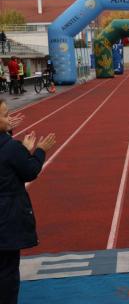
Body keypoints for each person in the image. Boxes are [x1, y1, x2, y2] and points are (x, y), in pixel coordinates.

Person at [0, 99, 56, 304]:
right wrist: (39, 150)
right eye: (5, 115)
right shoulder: (11, 148)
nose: (10, 118)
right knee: (7, 272)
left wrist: (7, 129)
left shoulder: (8, 145)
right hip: (6, 220)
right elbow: (29, 171)